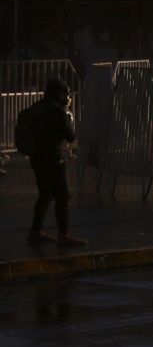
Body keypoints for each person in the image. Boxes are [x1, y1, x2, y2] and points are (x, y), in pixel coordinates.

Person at [23, 78, 85, 247]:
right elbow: (70, 136)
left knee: (45, 194)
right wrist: (65, 110)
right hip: (52, 158)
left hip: (36, 157)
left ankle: (35, 231)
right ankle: (63, 235)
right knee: (62, 196)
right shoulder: (58, 112)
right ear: (59, 94)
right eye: (65, 94)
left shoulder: (37, 108)